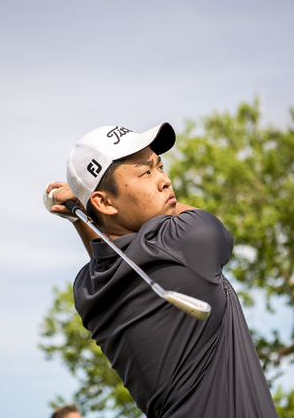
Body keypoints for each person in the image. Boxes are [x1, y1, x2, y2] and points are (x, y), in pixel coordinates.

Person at [45, 123, 278, 418]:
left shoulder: (87, 289)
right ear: (104, 202)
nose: (165, 181)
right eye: (145, 172)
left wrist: (84, 214)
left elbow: (109, 255)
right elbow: (207, 230)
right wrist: (84, 209)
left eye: (161, 166)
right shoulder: (189, 238)